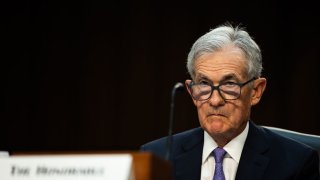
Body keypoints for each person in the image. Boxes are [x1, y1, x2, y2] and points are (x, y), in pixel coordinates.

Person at [140, 23, 320, 180]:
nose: (215, 100)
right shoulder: (157, 158)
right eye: (204, 84)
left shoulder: (296, 163)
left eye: (229, 84)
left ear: (256, 91)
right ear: (191, 91)